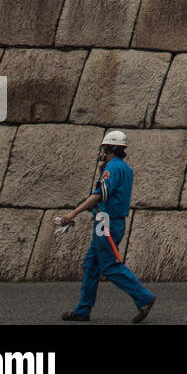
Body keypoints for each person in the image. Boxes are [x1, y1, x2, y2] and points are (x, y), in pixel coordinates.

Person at [56, 130, 158, 322]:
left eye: (103, 148)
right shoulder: (124, 168)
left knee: (110, 266)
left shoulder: (112, 169)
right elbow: (109, 189)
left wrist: (73, 213)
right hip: (112, 222)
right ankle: (83, 309)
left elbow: (99, 194)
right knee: (91, 265)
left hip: (106, 223)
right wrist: (101, 170)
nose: (101, 152)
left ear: (108, 148)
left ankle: (144, 297)